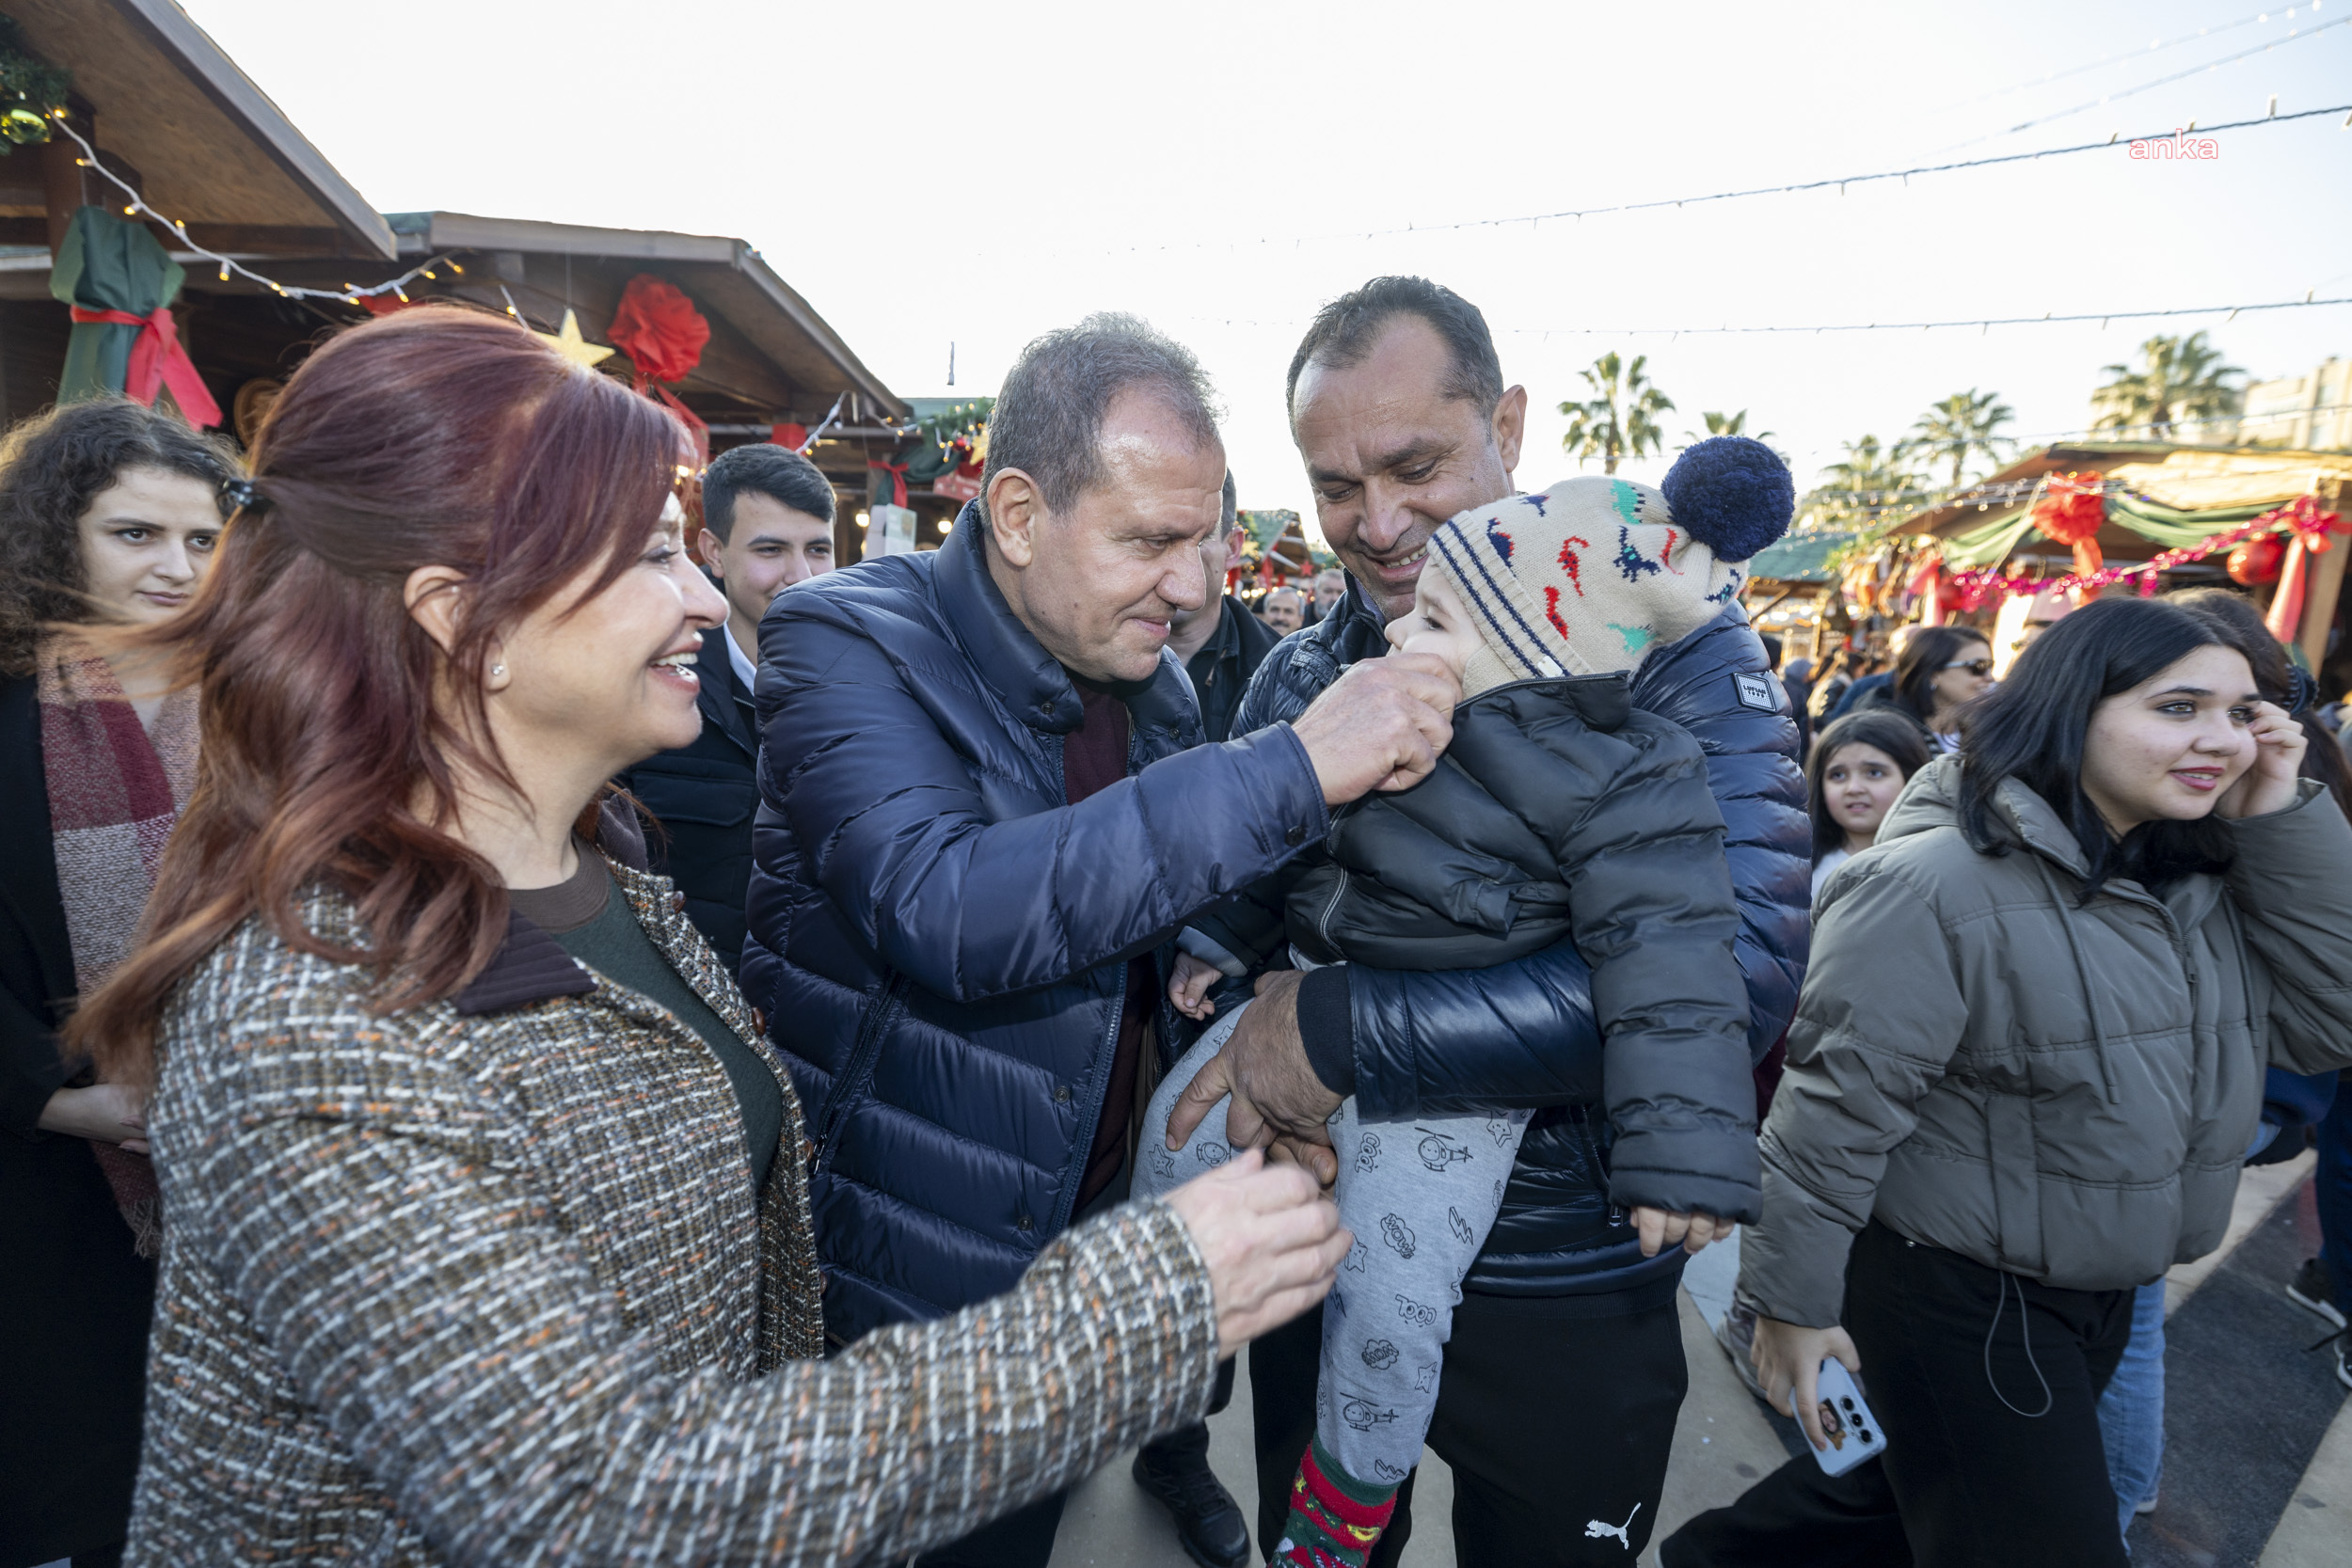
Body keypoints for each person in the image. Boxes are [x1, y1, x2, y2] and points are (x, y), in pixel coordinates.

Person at [68, 308, 1352, 1566]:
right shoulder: (315, 1018)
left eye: (684, 549)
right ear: (463, 621)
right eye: (645, 557)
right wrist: (1142, 1303)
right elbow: (592, 1503)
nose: (706, 595)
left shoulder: (603, 867)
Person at [737, 312, 1461, 1568]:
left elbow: (1143, 918)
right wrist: (1289, 765)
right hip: (901, 1272)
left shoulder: (1152, 682)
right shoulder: (845, 640)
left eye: (1204, 539)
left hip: (1086, 1250)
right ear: (1017, 514)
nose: (1193, 588)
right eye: (1151, 541)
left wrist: (1249, 1023)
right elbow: (951, 909)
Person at [1182, 276, 1809, 1564]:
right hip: (1326, 1226)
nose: (1380, 521)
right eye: (1337, 487)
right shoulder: (1306, 667)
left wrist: (1348, 1025)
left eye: (1416, 464)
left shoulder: (1675, 648)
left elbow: (1734, 969)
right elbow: (1240, 903)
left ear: (1508, 424)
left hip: (1566, 1271)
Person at [1664, 596, 2352, 1568]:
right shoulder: (1936, 880)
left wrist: (2283, 815)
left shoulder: (2198, 876)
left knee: (1886, 1506)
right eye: (2178, 707)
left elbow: (2336, 1019)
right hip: (1961, 1293)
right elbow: (1832, 1112)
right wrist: (1791, 1303)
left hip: (2104, 1282)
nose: (2222, 739)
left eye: (2244, 713)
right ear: (2075, 707)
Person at [0, 396, 236, 1568]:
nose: (175, 566)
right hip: (43, 1178)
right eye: (135, 534)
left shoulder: (259, 706)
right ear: (56, 536)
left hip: (238, 1170)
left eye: (200, 539)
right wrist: (60, 1097)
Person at [615, 442, 836, 973]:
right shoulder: (649, 690)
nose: (800, 575)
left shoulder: (875, 690)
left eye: (819, 549)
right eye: (771, 550)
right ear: (712, 552)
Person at [1166, 470, 1279, 744]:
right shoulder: (1087, 659)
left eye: (1198, 537)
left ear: (1232, 547)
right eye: (1155, 537)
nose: (1173, 556)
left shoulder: (1280, 673)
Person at [1805, 710, 1931, 895]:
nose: (1853, 788)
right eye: (1838, 775)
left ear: (1911, 777)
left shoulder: (1934, 865)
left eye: (1874, 773)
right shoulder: (1800, 870)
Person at [1847, 623, 1992, 752]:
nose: (1990, 677)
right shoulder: (1884, 733)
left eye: (1990, 666)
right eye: (1978, 667)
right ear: (1934, 673)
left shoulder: (1987, 729)